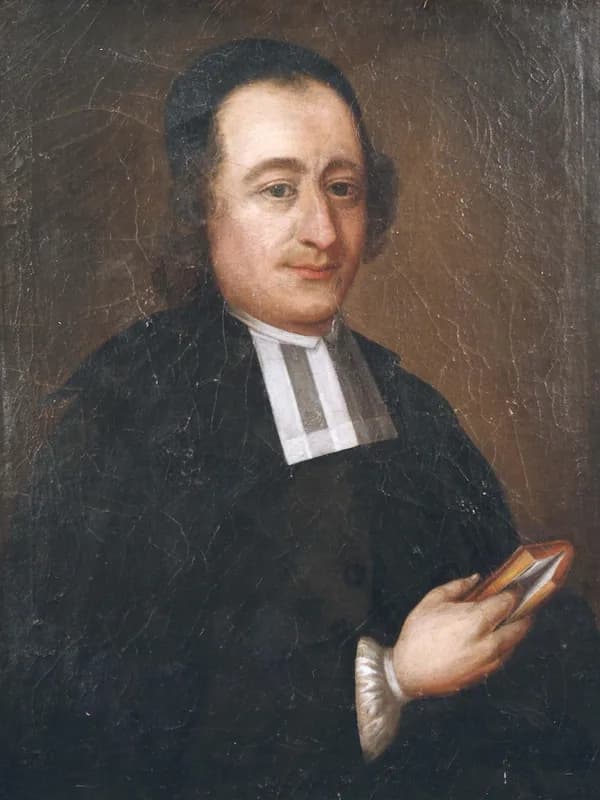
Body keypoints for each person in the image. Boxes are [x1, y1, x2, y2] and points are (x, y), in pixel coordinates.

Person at [1, 38, 599, 800]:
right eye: (278, 190)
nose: (323, 230)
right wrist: (392, 678)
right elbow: (84, 730)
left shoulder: (412, 407)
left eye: (342, 187)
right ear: (201, 208)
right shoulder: (121, 420)